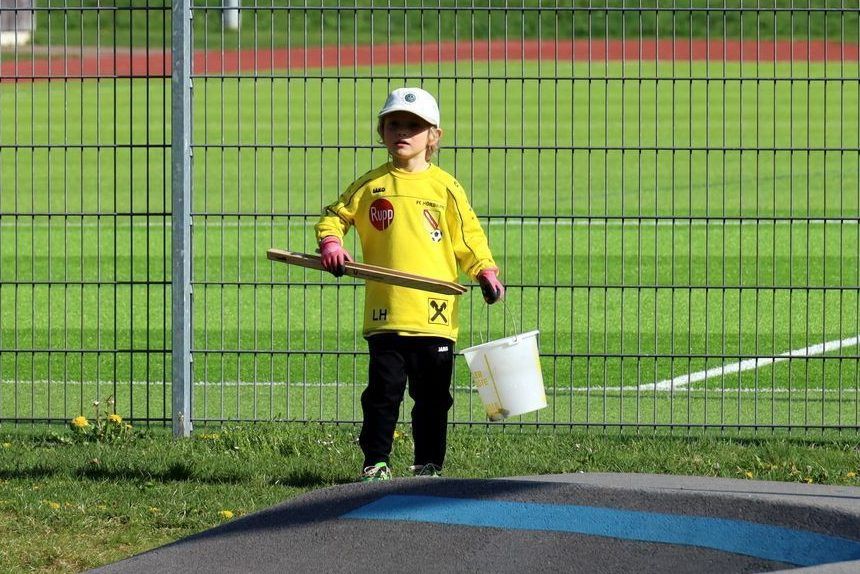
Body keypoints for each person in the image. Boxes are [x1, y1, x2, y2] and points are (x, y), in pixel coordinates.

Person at [314, 87, 504, 482]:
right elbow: (335, 217)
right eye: (394, 123)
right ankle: (375, 463)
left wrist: (484, 271)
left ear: (433, 135)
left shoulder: (445, 187)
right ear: (381, 131)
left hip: (435, 315)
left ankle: (428, 465)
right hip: (387, 313)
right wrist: (332, 244)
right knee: (383, 395)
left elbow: (469, 237)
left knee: (434, 397)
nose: (403, 132)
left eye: (414, 126)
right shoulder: (371, 185)